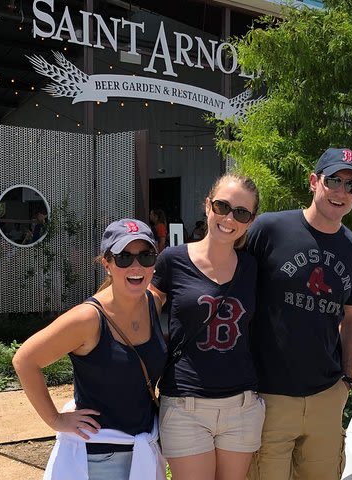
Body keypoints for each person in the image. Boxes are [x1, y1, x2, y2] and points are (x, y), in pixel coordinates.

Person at [245, 148, 352, 480]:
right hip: (269, 396)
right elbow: (234, 292)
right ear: (314, 182)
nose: (341, 192)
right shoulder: (270, 229)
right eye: (334, 180)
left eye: (351, 186)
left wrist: (346, 380)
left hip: (325, 396)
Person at [12, 218, 167, 479]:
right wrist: (56, 420)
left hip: (145, 449)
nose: (136, 266)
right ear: (107, 263)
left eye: (146, 256)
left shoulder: (152, 302)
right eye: (124, 257)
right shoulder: (88, 319)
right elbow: (25, 360)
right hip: (100, 456)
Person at [149, 173, 264, 480]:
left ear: (251, 220)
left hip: (241, 405)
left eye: (241, 212)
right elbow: (138, 311)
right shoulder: (172, 260)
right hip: (186, 404)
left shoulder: (252, 267)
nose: (229, 218)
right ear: (207, 206)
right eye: (222, 206)